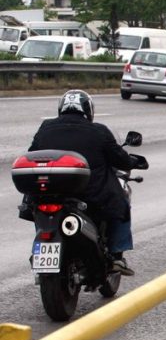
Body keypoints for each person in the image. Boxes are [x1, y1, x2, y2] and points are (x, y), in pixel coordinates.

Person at [28, 90, 141, 275]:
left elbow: (32, 154)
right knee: (121, 203)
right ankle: (116, 256)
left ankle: (41, 248)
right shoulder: (98, 131)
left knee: (39, 209)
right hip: (92, 196)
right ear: (88, 111)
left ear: (61, 109)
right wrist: (134, 162)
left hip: (51, 193)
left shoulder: (46, 127)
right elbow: (120, 159)